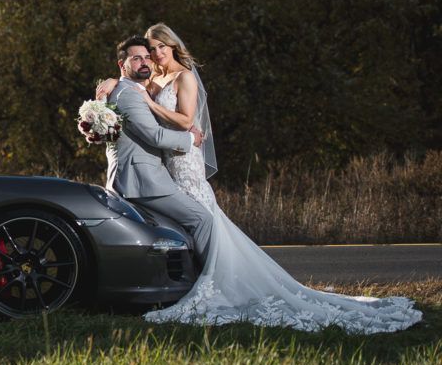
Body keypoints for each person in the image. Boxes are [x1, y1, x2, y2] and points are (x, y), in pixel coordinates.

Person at [95, 24, 422, 332]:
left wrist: (187, 134)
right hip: (162, 170)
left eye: (156, 49)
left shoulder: (181, 78)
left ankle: (217, 286)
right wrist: (113, 85)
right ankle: (205, 282)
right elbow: (133, 100)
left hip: (181, 162)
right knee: (200, 224)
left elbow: (183, 121)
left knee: (204, 221)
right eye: (147, 52)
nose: (152, 56)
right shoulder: (146, 84)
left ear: (172, 47)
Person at [101, 36, 214, 269]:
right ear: (122, 65)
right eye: (136, 58)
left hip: (141, 175)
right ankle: (209, 282)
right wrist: (191, 138)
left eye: (147, 57)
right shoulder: (129, 94)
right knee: (202, 220)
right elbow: (156, 136)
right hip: (143, 180)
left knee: (180, 229)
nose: (144, 62)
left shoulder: (131, 89)